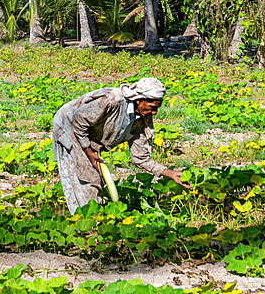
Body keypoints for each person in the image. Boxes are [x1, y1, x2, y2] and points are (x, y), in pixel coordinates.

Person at [52, 76, 189, 213]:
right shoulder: (111, 100)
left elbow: (141, 157)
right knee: (88, 176)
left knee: (96, 174)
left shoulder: (142, 119)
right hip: (69, 125)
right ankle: (86, 218)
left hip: (89, 132)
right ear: (139, 100)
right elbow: (79, 121)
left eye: (157, 108)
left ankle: (94, 211)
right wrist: (89, 152)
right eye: (152, 107)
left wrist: (168, 173)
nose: (154, 113)